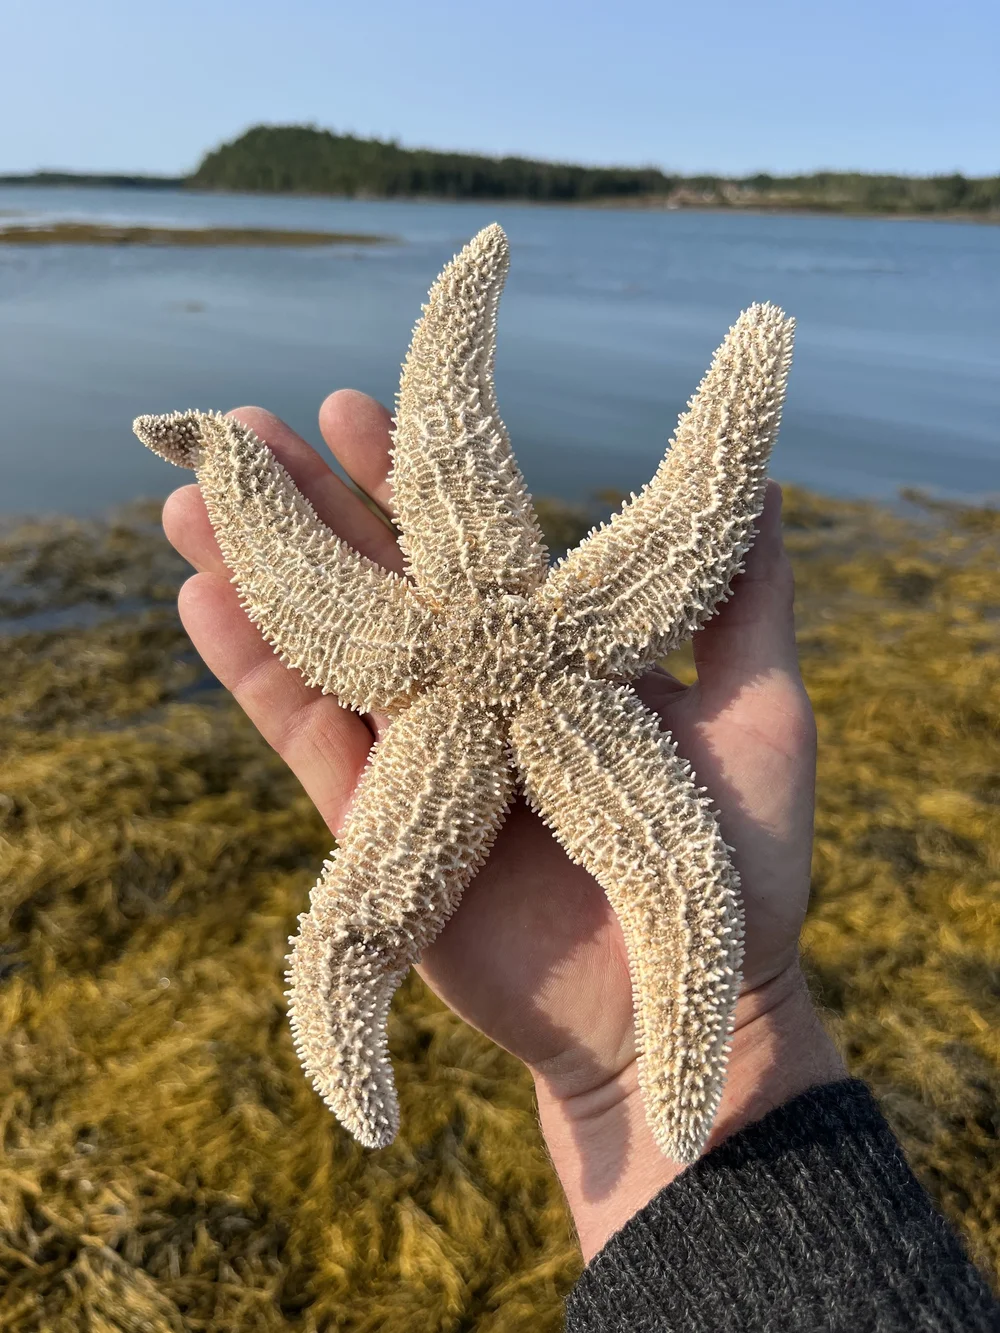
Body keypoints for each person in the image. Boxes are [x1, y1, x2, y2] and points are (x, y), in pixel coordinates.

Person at [162, 391, 1000, 1331]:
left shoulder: (537, 611)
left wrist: (664, 1066)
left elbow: (691, 507)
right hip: (509, 711)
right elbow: (314, 549)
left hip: (532, 711)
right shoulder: (487, 620)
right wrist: (224, 461)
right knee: (353, 943)